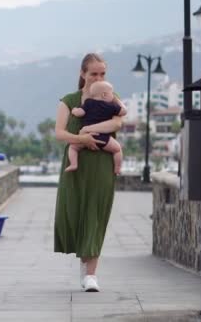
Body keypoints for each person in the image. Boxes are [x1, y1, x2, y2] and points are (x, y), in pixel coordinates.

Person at [54, 53, 123, 292]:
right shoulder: (70, 101)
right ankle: (84, 263)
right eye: (94, 73)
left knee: (95, 215)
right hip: (76, 166)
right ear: (83, 73)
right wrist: (81, 138)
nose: (98, 77)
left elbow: (116, 124)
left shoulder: (110, 96)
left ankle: (91, 275)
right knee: (74, 214)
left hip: (102, 165)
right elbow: (60, 133)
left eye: (102, 73)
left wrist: (91, 130)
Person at [64, 80, 127, 175]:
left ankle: (73, 164)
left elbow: (80, 113)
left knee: (73, 147)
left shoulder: (88, 102)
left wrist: (74, 110)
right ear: (104, 95)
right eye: (111, 94)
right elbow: (124, 111)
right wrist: (118, 101)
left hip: (86, 136)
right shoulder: (111, 106)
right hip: (103, 138)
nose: (112, 96)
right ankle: (117, 169)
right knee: (117, 150)